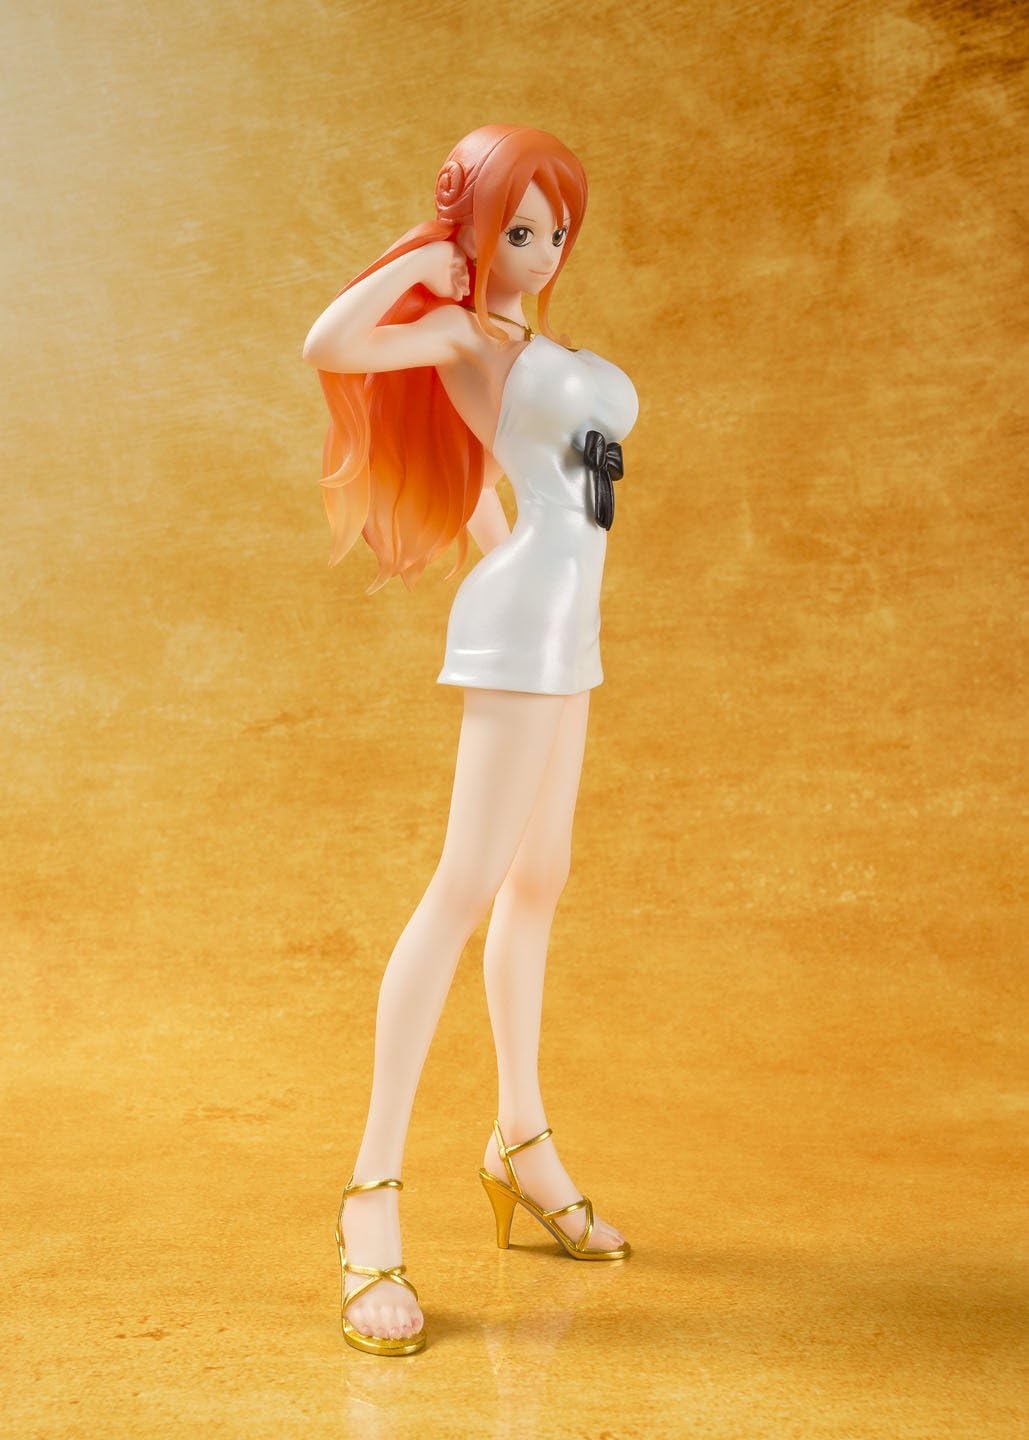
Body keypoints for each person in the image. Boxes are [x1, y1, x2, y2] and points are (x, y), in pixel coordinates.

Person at [302, 124, 637, 1357]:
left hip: (567, 624)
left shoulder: (533, 350)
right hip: (523, 633)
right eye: (517, 230)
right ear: (477, 232)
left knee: (539, 880)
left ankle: (521, 1140)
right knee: (463, 889)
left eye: (556, 232)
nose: (540, 252)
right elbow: (329, 345)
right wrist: (422, 266)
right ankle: (370, 1195)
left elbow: (543, 493)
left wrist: (513, 558)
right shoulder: (461, 334)